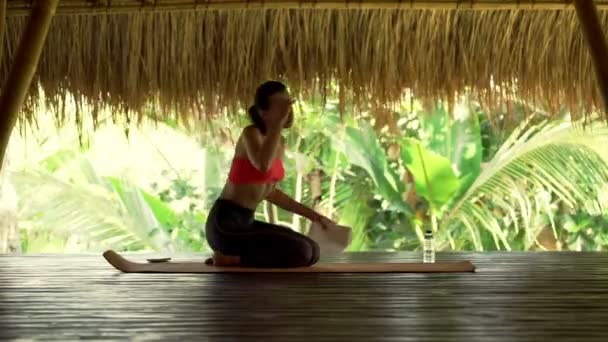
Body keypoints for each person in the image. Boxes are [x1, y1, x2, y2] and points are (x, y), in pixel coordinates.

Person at [205, 81, 335, 268]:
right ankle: (232, 259)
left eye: (288, 104)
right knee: (302, 252)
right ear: (263, 112)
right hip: (225, 224)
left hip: (246, 222)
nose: (287, 111)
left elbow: (270, 192)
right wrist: (276, 125)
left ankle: (236, 257)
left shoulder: (279, 142)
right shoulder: (251, 133)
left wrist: (313, 216)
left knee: (312, 250)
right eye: (280, 106)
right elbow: (263, 165)